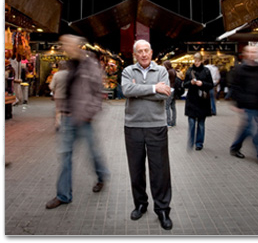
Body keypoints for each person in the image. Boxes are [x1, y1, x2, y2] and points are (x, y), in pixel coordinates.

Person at [46, 35, 110, 209]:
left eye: (67, 44)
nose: (65, 47)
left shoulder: (91, 65)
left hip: (84, 119)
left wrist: (89, 113)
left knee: (93, 152)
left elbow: (98, 92)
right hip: (68, 117)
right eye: (63, 44)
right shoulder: (69, 65)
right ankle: (63, 195)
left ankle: (102, 175)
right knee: (65, 156)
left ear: (77, 46)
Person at [121, 40, 173, 230]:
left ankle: (163, 209)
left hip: (156, 126)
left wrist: (139, 91)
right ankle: (141, 204)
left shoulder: (161, 71)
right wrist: (153, 88)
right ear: (135, 54)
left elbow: (164, 94)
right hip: (133, 126)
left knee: (160, 170)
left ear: (151, 53)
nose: (143, 54)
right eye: (139, 51)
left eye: (146, 51)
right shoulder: (128, 71)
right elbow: (126, 90)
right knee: (136, 169)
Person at [229, 46, 258, 167]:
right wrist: (238, 104)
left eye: (255, 52)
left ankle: (235, 147)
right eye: (250, 52)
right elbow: (235, 88)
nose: (252, 54)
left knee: (247, 129)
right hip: (246, 105)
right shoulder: (239, 70)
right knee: (256, 130)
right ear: (245, 54)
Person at [184, 53, 214, 150]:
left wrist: (202, 83)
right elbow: (184, 84)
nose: (196, 63)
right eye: (195, 60)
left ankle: (199, 143)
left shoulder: (206, 71)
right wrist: (191, 83)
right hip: (192, 100)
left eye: (198, 61)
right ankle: (191, 141)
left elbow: (211, 85)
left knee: (201, 123)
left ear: (201, 61)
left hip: (202, 101)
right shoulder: (189, 70)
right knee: (192, 123)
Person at [49, 60, 69, 130]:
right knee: (67, 111)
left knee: (58, 110)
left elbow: (51, 86)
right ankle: (67, 124)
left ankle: (58, 123)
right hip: (67, 96)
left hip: (58, 95)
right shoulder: (69, 74)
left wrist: (54, 91)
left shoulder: (56, 75)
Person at [163, 60, 177, 127]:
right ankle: (173, 121)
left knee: (167, 106)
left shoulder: (168, 72)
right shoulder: (174, 71)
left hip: (170, 89)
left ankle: (168, 122)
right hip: (174, 89)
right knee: (173, 107)